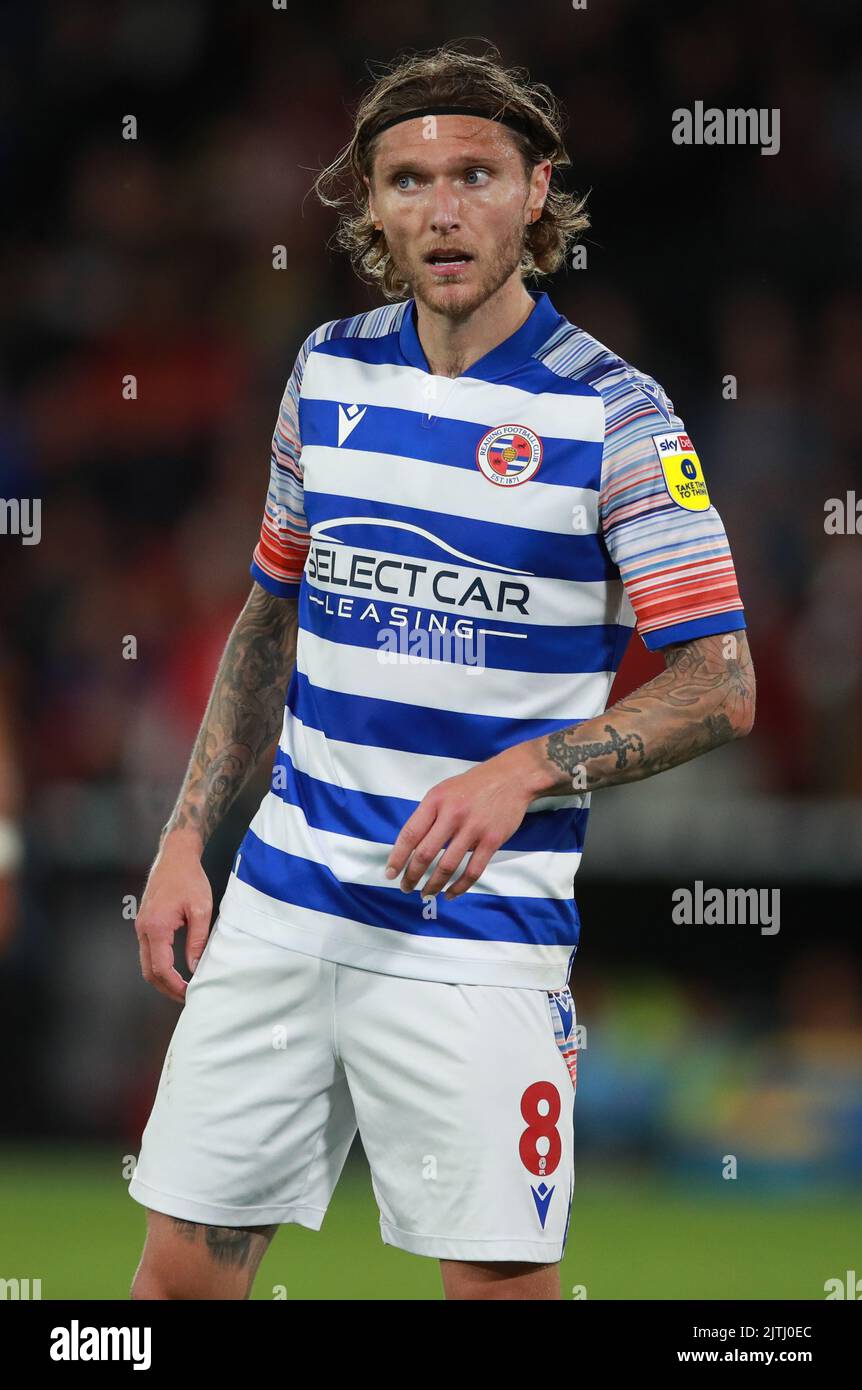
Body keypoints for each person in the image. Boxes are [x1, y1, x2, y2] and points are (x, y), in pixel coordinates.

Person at [129, 40, 755, 1301]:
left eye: (475, 173)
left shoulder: (615, 414)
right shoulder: (328, 369)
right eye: (408, 179)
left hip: (477, 939)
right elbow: (270, 617)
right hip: (283, 909)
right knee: (172, 1296)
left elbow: (719, 681)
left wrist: (522, 771)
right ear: (371, 205)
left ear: (536, 193)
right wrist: (189, 837)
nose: (442, 206)